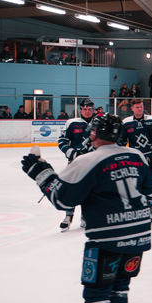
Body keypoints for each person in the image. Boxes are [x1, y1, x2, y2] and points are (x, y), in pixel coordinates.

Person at [20, 113, 152, 303]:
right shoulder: (136, 155)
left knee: (96, 291)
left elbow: (63, 200)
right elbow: (148, 190)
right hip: (138, 235)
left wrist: (40, 171)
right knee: (120, 286)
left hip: (107, 238)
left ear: (93, 134)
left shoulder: (87, 160)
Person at [57, 99, 97, 231]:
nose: (87, 111)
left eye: (90, 109)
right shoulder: (72, 123)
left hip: (93, 163)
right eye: (85, 109)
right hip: (75, 163)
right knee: (72, 189)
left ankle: (85, 217)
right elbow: (62, 141)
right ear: (80, 110)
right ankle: (68, 217)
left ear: (93, 109)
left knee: (90, 191)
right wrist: (71, 152)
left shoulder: (98, 123)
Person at [119, 99, 152, 219]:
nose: (140, 109)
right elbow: (121, 141)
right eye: (137, 107)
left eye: (141, 106)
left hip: (151, 157)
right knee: (136, 182)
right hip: (135, 159)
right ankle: (138, 207)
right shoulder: (126, 123)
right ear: (132, 108)